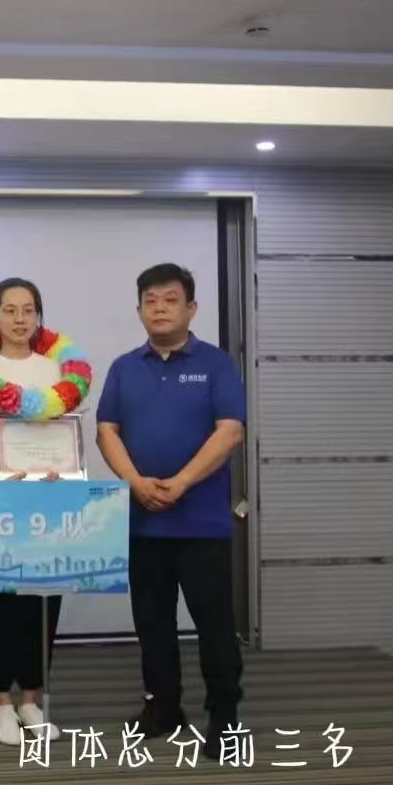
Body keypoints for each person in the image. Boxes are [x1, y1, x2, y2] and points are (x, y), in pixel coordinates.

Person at [95, 263, 246, 759]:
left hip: (201, 523)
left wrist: (180, 482)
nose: (159, 308)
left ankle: (224, 717)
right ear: (139, 310)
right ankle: (163, 707)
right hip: (143, 521)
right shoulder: (124, 367)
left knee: (214, 624)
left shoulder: (216, 364)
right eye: (150, 300)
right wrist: (135, 483)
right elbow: (106, 431)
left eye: (170, 299)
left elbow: (230, 431)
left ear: (191, 308)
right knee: (152, 624)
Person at [0, 277, 92, 747]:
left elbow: (67, 435)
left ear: (38, 316)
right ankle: (1, 704)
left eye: (28, 309)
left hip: (46, 495)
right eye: (9, 310)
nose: (19, 318)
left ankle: (32, 699)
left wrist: (61, 471)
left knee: (41, 597)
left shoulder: (58, 369)